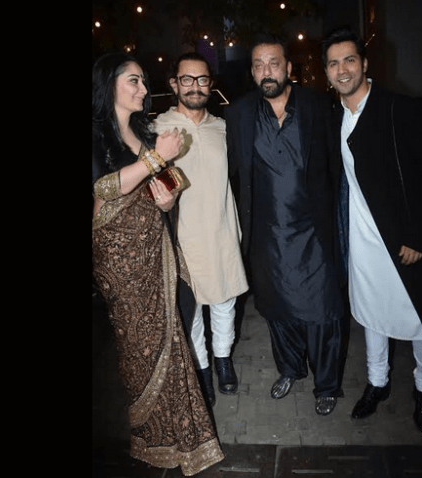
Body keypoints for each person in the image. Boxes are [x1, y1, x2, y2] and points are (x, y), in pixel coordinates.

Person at [91, 51, 225, 474]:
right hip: (121, 264)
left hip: (157, 250)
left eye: (144, 81)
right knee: (139, 350)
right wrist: (156, 159)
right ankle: (151, 438)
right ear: (108, 83)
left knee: (175, 331)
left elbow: (163, 187)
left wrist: (168, 196)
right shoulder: (95, 133)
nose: (143, 89)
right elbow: (102, 187)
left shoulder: (142, 132)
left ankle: (183, 435)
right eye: (133, 80)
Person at [321, 26, 422, 434]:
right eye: (333, 63)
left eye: (349, 60)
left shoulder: (400, 108)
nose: (342, 70)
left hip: (404, 241)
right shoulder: (334, 117)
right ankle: (377, 383)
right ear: (326, 72)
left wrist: (419, 236)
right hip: (362, 241)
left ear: (365, 63)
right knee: (371, 315)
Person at [225, 33, 349, 416]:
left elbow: (340, 165)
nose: (267, 71)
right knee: (277, 310)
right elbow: (227, 169)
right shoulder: (239, 114)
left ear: (288, 68)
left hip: (314, 232)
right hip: (267, 235)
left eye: (274, 63)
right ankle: (291, 369)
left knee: (324, 311)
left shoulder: (318, 106)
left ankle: (326, 385)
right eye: (258, 65)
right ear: (251, 72)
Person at [153, 52, 248, 409]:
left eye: (202, 79)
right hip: (184, 236)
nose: (195, 86)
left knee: (224, 302)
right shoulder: (158, 129)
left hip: (222, 229)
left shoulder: (223, 128)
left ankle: (223, 361)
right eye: (187, 79)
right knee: (190, 311)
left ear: (211, 84)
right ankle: (202, 370)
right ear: (174, 83)